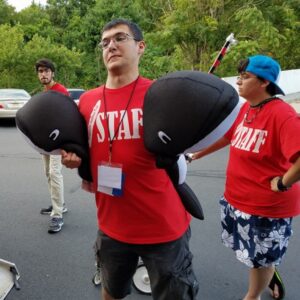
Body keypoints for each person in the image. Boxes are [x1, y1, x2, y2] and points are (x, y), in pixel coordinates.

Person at [61, 19, 199, 300]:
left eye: (120, 38)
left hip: (164, 227)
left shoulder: (161, 94)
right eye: (105, 42)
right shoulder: (87, 101)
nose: (110, 45)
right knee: (111, 292)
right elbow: (80, 151)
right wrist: (73, 159)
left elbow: (186, 143)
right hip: (112, 228)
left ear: (140, 46)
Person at [187, 55, 300, 300]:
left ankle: (252, 296)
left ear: (264, 82)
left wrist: (283, 183)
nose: (238, 81)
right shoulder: (246, 109)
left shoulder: (283, 114)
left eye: (244, 77)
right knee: (253, 255)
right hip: (237, 200)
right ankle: (268, 268)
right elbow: (228, 137)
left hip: (265, 208)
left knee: (259, 260)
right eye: (239, 76)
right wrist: (197, 154)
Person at [35, 58, 69, 234]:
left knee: (55, 173)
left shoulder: (60, 91)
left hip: (57, 141)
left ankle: (57, 215)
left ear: (52, 73)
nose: (43, 74)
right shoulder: (44, 92)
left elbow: (66, 116)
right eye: (40, 71)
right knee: (48, 173)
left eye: (46, 71)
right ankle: (59, 204)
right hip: (44, 141)